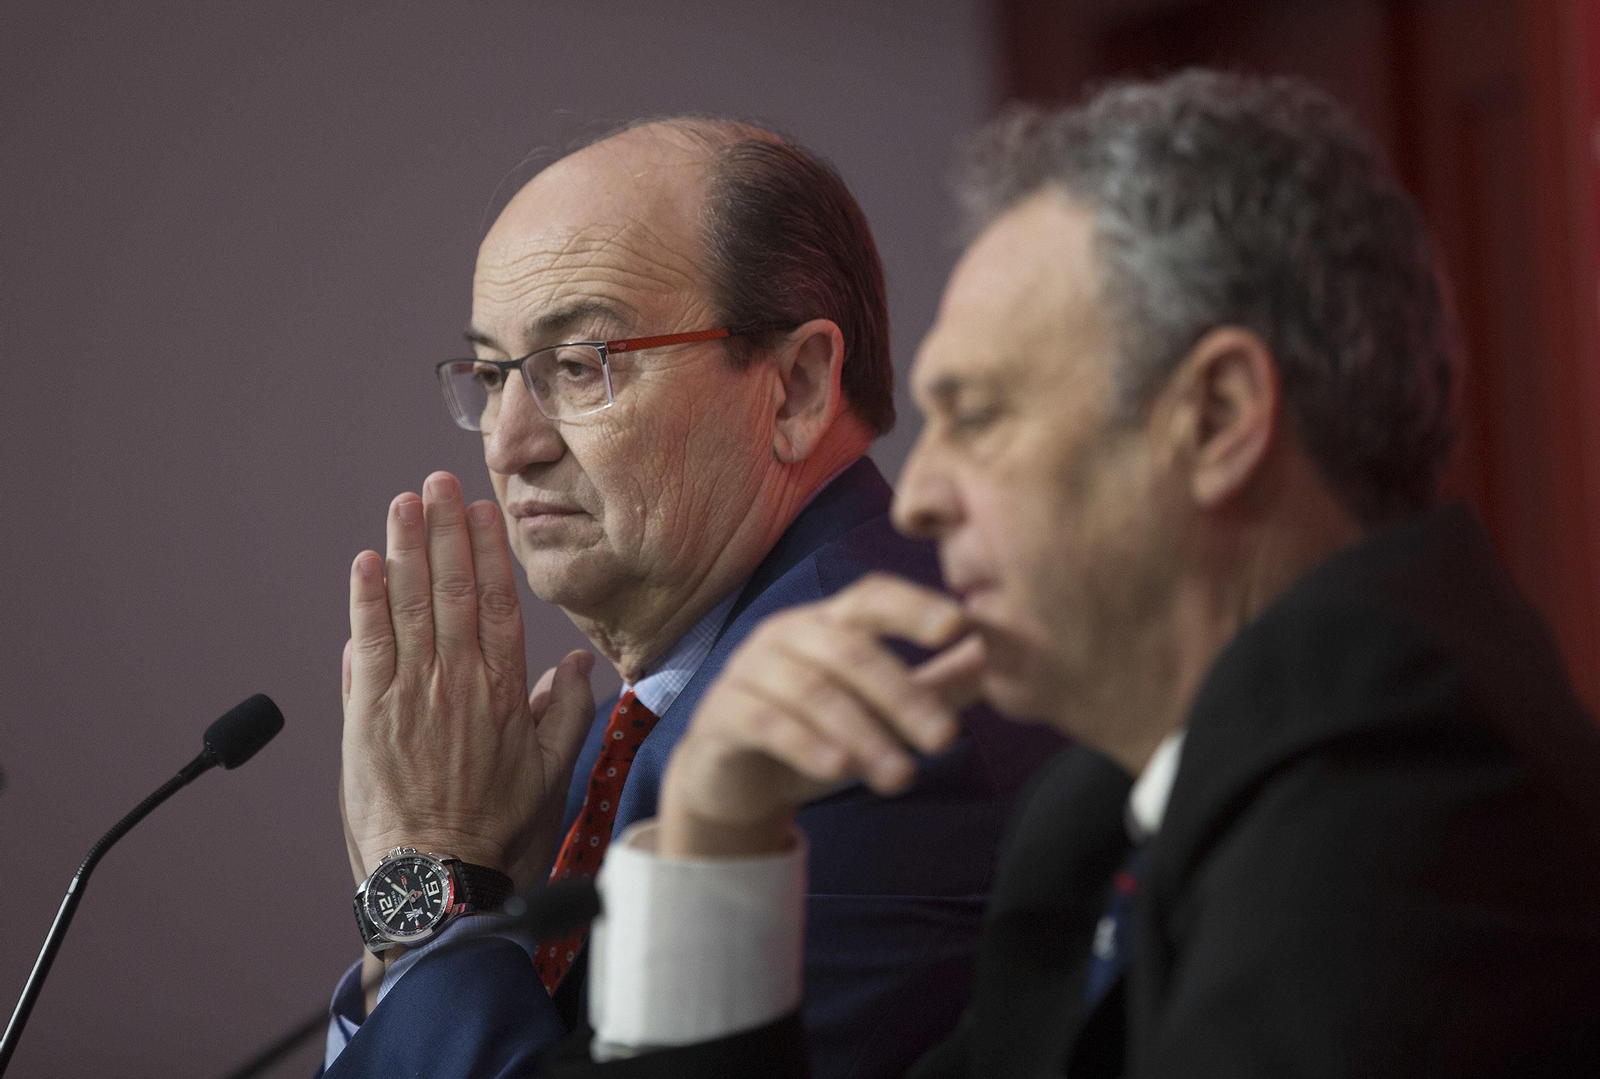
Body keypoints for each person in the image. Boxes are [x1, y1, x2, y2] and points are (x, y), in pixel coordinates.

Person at [549, 72, 1600, 1077]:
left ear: (1218, 418)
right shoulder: (1094, 810)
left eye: (980, 416)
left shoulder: (1404, 783)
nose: (917, 499)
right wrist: (714, 846)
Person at [323, 118, 1061, 1079]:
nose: (510, 442)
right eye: (493, 375)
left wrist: (432, 879)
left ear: (795, 388)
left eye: (579, 364)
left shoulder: (858, 708)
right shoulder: (618, 732)